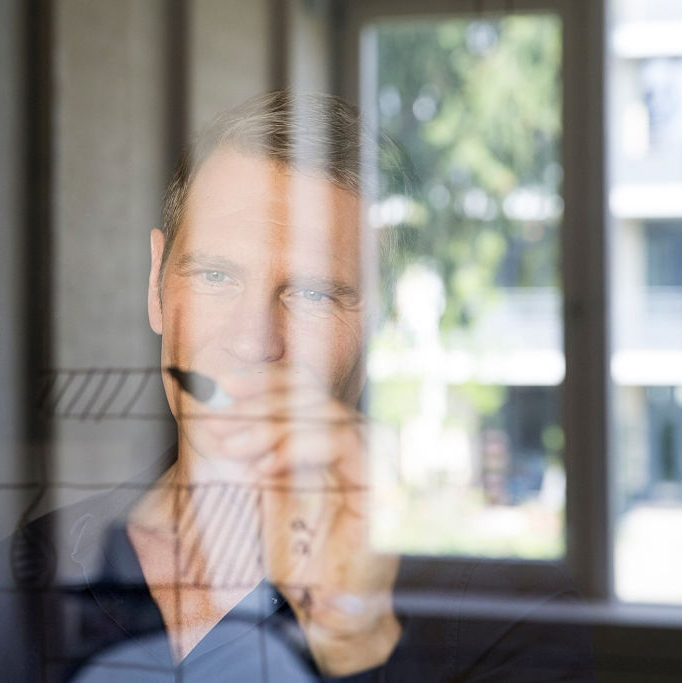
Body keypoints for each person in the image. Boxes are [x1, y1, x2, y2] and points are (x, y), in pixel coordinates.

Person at [0, 90, 594, 681]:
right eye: (215, 276)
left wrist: (357, 647)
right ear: (157, 282)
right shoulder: (24, 578)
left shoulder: (511, 623)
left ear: (380, 319)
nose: (253, 342)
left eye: (312, 293)